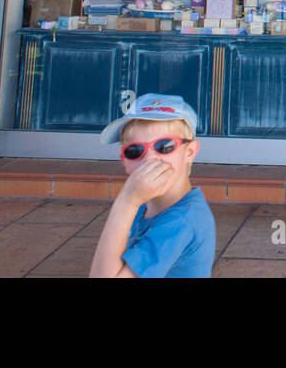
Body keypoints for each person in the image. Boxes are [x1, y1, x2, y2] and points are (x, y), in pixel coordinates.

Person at [90, 93, 216, 278]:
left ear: (190, 152)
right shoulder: (144, 206)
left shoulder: (180, 222)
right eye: (135, 151)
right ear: (124, 161)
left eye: (164, 146)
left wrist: (126, 202)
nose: (150, 159)